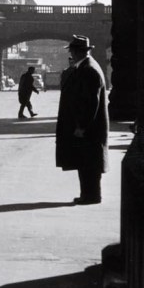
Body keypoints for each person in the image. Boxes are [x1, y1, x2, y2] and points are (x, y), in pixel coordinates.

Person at [55, 35, 109, 204]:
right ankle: (88, 194)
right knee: (85, 161)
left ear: (78, 52)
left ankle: (92, 196)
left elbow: (91, 102)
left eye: (71, 50)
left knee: (89, 163)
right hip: (86, 127)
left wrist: (82, 126)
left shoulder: (89, 70)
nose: (70, 53)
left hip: (87, 128)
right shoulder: (85, 67)